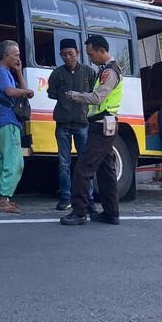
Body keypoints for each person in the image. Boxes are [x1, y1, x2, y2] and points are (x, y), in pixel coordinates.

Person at [61, 35, 124, 226]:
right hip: (107, 123)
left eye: (91, 54)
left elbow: (97, 98)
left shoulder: (109, 72)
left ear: (101, 51)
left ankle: (79, 212)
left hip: (102, 124)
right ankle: (111, 213)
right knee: (106, 169)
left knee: (83, 167)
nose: (90, 58)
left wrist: (74, 95)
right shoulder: (107, 70)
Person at [46, 38, 96, 210]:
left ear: (78, 53)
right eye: (64, 54)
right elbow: (51, 94)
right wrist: (62, 94)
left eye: (70, 54)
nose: (67, 57)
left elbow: (94, 95)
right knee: (63, 163)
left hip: (83, 124)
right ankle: (66, 197)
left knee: (85, 162)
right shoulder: (57, 74)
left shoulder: (89, 72)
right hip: (63, 124)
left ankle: (88, 198)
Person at [0, 40, 34, 213]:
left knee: (3, 162)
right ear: (6, 55)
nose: (18, 58)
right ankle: (3, 199)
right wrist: (27, 91)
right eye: (15, 55)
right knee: (15, 162)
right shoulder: (0, 72)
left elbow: (20, 90)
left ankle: (1, 198)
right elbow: (10, 92)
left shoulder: (7, 72)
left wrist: (19, 72)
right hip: (7, 121)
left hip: (6, 122)